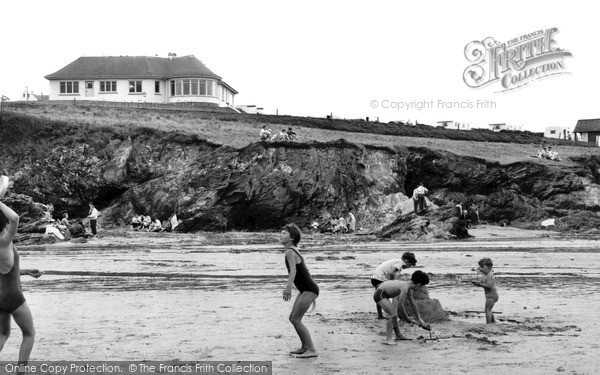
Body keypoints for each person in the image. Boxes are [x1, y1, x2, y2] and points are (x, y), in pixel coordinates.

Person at [0, 184, 43, 364]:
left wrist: (25, 271)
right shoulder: (4, 241)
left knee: (2, 333)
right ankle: (21, 371)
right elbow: (16, 219)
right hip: (13, 296)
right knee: (29, 334)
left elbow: (4, 270)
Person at [281, 223, 319, 358]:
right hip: (305, 289)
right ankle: (305, 347)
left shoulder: (290, 252)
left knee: (296, 319)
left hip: (309, 289)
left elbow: (293, 271)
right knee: (292, 318)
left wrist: (288, 288)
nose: (281, 235)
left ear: (292, 238)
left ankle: (312, 350)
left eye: (284, 233)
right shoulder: (291, 250)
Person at [373, 270, 430, 345]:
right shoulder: (405, 288)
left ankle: (398, 335)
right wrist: (407, 319)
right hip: (380, 294)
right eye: (423, 286)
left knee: (394, 314)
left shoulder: (409, 289)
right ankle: (388, 339)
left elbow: (413, 304)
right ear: (419, 284)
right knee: (393, 315)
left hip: (386, 294)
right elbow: (401, 305)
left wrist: (420, 320)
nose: (422, 288)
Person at [370, 253, 417, 319]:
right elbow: (391, 272)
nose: (408, 267)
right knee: (386, 295)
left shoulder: (395, 262)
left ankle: (380, 315)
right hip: (380, 277)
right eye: (409, 265)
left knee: (380, 296)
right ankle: (394, 313)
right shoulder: (400, 262)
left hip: (375, 277)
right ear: (406, 261)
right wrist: (393, 282)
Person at [472, 257, 499, 324]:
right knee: (489, 309)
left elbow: (489, 286)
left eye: (482, 267)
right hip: (489, 296)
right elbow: (484, 283)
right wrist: (478, 283)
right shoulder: (485, 275)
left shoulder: (490, 275)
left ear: (489, 267)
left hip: (491, 296)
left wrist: (480, 284)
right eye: (480, 267)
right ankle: (493, 322)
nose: (480, 269)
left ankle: (488, 323)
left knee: (487, 310)